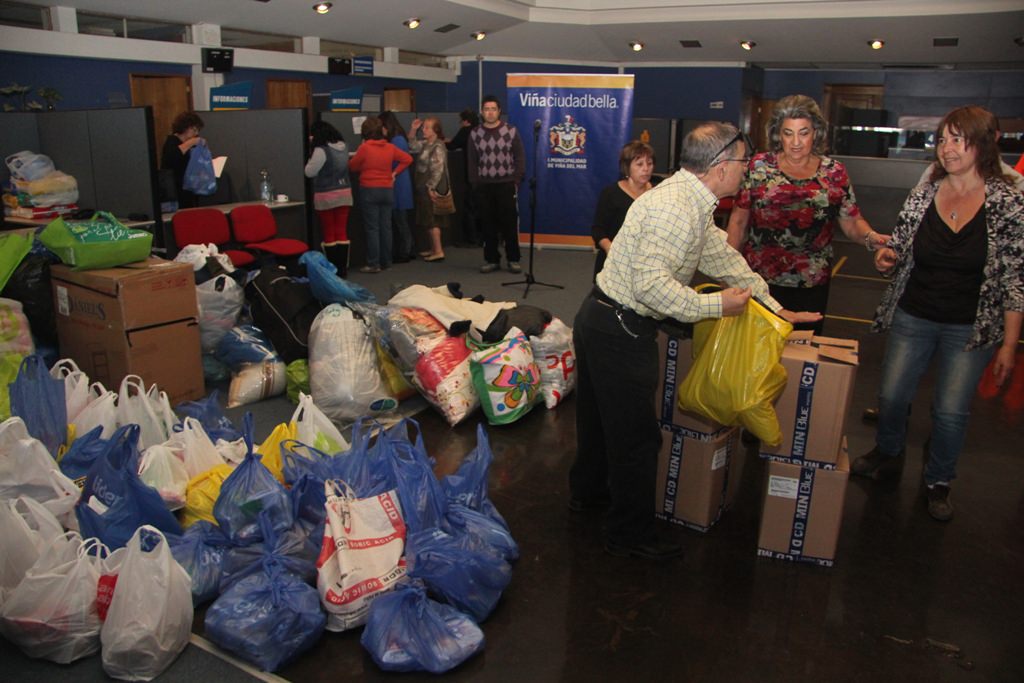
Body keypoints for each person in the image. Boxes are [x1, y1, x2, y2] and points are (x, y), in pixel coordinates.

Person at [570, 122, 822, 561]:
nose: (747, 169)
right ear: (721, 165)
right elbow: (651, 287)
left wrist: (773, 304)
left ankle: (588, 496)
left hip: (599, 319)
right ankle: (629, 535)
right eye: (743, 161)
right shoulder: (675, 208)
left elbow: (721, 256)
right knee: (636, 441)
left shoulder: (689, 200)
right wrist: (716, 307)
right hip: (620, 330)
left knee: (598, 426)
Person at [851, 105, 1023, 522]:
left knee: (950, 410)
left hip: (969, 325)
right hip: (915, 312)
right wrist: (887, 256)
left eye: (957, 139)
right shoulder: (927, 188)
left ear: (983, 143)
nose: (947, 148)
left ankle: (938, 480)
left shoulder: (1008, 199)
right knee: (892, 396)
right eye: (942, 139)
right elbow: (902, 242)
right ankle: (889, 451)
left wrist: (1008, 346)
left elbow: (1016, 277)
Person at [726, 94, 888, 334]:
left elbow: (852, 221)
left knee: (803, 353)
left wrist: (870, 237)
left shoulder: (834, 172)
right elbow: (738, 222)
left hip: (811, 283)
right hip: (759, 281)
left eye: (804, 133)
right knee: (755, 352)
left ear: (816, 133)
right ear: (778, 135)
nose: (796, 142)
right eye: (788, 133)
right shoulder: (758, 167)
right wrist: (727, 272)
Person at [347, 116, 412, 274]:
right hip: (387, 190)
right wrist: (394, 173)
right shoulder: (389, 147)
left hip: (369, 189)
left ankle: (373, 263)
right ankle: (387, 262)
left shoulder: (365, 148)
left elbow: (352, 166)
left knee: (372, 228)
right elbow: (408, 159)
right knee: (386, 227)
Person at [468, 95, 525, 274]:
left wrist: (517, 179)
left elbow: (520, 157)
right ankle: (492, 259)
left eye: (493, 109)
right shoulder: (475, 133)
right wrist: (474, 183)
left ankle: (513, 259)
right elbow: (471, 161)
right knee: (487, 225)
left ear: (499, 111)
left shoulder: (511, 131)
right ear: (482, 112)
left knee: (509, 224)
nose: (490, 112)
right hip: (484, 186)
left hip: (506, 183)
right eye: (486, 109)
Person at [591, 140, 657, 278]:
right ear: (627, 167)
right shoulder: (610, 193)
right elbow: (598, 230)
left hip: (650, 261)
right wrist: (610, 248)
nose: (646, 169)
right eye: (639, 164)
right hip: (616, 261)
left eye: (649, 163)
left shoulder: (659, 191)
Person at [304, 120, 353, 277]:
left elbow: (309, 172)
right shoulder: (343, 146)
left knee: (329, 233)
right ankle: (343, 268)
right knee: (342, 232)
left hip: (326, 195)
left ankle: (333, 269)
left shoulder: (321, 150)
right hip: (345, 193)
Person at [408, 116, 450, 262]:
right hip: (423, 186)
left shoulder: (437, 146)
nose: (423, 130)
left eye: (427, 127)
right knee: (427, 217)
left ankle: (438, 250)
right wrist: (413, 129)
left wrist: (431, 187)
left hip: (430, 187)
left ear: (435, 130)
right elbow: (412, 145)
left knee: (433, 220)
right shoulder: (426, 144)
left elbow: (438, 169)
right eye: (423, 127)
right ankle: (433, 249)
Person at [379, 111, 416, 263]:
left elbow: (401, 161)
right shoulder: (397, 139)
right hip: (398, 183)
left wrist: (393, 172)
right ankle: (407, 249)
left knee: (401, 221)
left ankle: (406, 251)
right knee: (400, 221)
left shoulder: (397, 140)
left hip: (398, 184)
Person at [447, 108, 483, 247]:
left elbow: (452, 146)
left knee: (470, 206)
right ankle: (481, 237)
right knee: (480, 207)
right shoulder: (480, 131)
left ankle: (471, 238)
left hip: (471, 174)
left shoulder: (465, 131)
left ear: (466, 121)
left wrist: (444, 141)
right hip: (483, 174)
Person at [160, 111, 206, 209]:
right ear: (186, 127)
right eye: (194, 130)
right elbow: (172, 157)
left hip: (188, 189)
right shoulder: (172, 141)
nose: (196, 133)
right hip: (176, 190)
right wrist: (191, 142)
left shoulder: (189, 145)